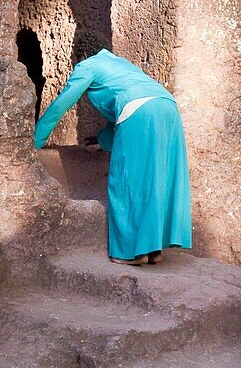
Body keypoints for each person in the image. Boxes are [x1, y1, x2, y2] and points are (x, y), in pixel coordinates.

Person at [33, 40, 192, 265]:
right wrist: (102, 141)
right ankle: (153, 250)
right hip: (168, 107)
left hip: (139, 110)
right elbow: (123, 111)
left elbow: (62, 104)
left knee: (126, 179)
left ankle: (130, 252)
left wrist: (35, 140)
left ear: (81, 56)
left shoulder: (87, 66)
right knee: (155, 179)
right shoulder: (120, 65)